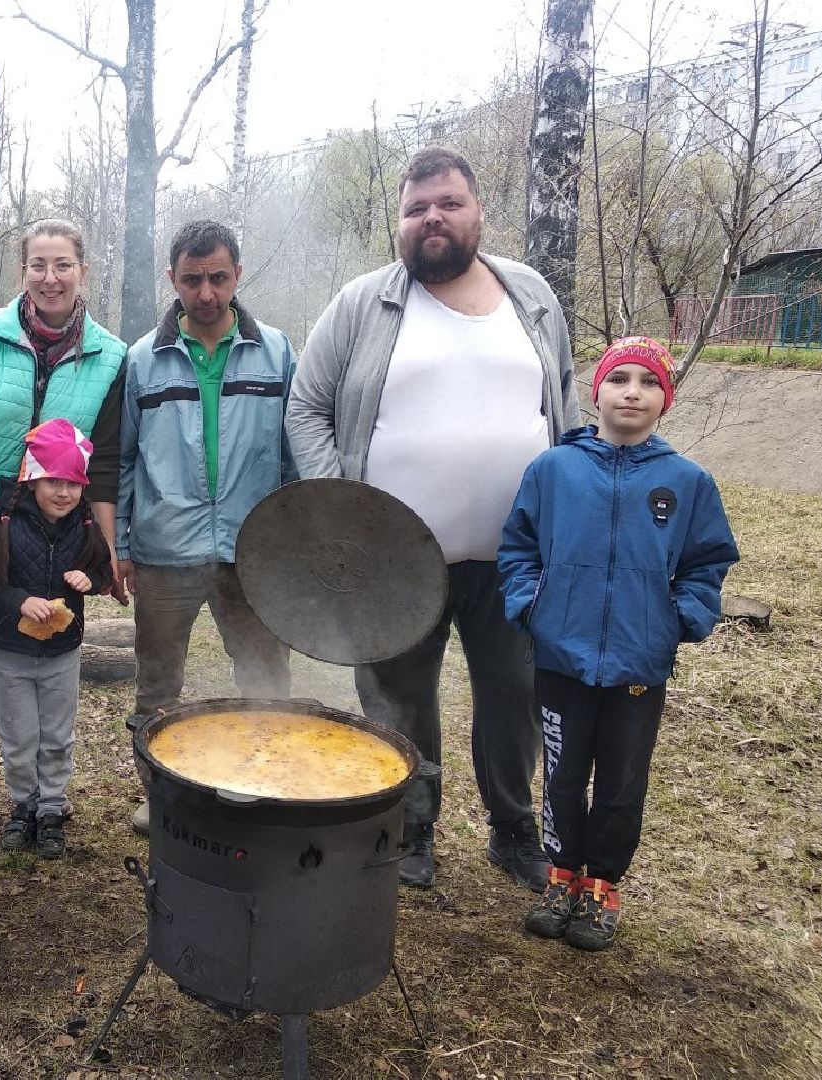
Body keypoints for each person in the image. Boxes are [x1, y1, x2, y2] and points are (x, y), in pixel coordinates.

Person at [285, 147, 581, 890]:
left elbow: (566, 407)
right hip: (391, 556)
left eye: (448, 203)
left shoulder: (532, 297)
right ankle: (410, 826)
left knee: (515, 695)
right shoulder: (364, 303)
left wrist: (574, 512)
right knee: (397, 696)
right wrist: (338, 505)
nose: (433, 218)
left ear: (477, 210)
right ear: (400, 222)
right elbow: (307, 406)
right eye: (417, 209)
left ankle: (513, 831)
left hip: (516, 555)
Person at [499, 337, 738, 949]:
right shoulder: (554, 469)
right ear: (596, 390)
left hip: (639, 663)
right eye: (620, 378)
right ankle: (561, 874)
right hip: (561, 656)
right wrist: (531, 605)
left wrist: (678, 618)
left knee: (622, 781)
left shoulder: (686, 482)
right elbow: (519, 546)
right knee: (560, 774)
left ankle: (603, 883)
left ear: (666, 398)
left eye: (649, 382)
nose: (633, 391)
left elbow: (707, 561)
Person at [118, 219, 298, 835]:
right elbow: (123, 458)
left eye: (218, 278)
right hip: (165, 548)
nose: (206, 293)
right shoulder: (143, 358)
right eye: (192, 280)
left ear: (237, 276)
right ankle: (157, 793)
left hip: (254, 549)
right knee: (158, 681)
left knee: (265, 676)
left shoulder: (276, 351)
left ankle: (263, 781)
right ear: (173, 279)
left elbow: (294, 453)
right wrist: (120, 545)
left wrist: (298, 539)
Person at [0, 219, 127, 840]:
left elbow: (103, 463)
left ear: (83, 271)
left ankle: (46, 790)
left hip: (55, 532)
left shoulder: (111, 355)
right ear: (22, 271)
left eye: (63, 265)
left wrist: (107, 551)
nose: (49, 278)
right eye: (37, 265)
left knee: (45, 643)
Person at [0, 419, 114, 857]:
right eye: (54, 480)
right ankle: (24, 806)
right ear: (33, 478)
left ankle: (52, 808)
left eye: (73, 483)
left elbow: (104, 573)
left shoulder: (86, 526)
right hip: (10, 653)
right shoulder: (6, 525)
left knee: (56, 736)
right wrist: (20, 601)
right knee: (18, 738)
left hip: (61, 653)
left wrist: (89, 578)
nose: (63, 493)